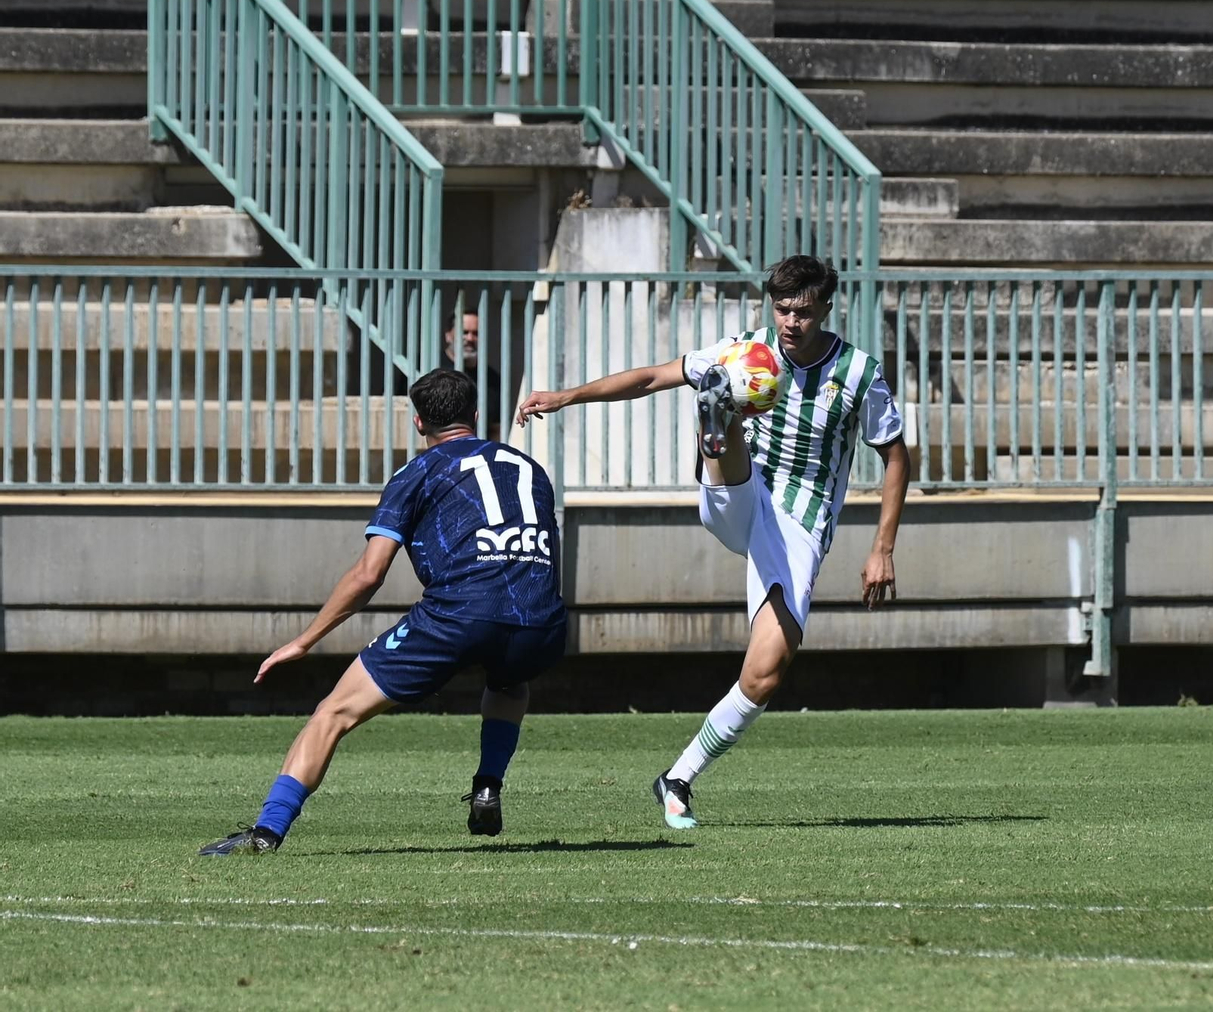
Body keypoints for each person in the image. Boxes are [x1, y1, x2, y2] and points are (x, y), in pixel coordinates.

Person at [516, 255, 909, 830]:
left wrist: (883, 548)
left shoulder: (858, 372)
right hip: (736, 496)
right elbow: (651, 377)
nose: (791, 322)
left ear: (826, 307)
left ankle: (677, 778)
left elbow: (894, 455)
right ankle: (719, 423)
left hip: (798, 525)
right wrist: (568, 396)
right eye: (781, 309)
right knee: (729, 397)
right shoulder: (744, 350)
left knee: (766, 674)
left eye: (802, 311)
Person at [200, 369, 566, 854]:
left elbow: (368, 575)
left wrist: (305, 640)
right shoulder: (529, 468)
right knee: (509, 679)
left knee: (333, 713)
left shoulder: (416, 472)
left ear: (418, 423)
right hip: (542, 623)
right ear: (475, 417)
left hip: (458, 615)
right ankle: (487, 784)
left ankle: (267, 832)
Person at [395, 310, 503, 439]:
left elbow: (496, 428)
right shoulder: (422, 367)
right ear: (448, 335)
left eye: (476, 333)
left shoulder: (491, 380)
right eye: (464, 332)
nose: (470, 338)